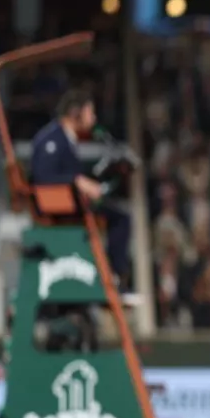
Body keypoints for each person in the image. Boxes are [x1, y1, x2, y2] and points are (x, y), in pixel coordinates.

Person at [28, 89, 134, 297]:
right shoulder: (52, 139)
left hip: (71, 202)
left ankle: (115, 276)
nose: (94, 118)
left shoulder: (66, 139)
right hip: (59, 207)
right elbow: (43, 177)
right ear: (76, 112)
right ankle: (116, 276)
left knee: (118, 212)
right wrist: (77, 181)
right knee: (121, 219)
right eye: (90, 112)